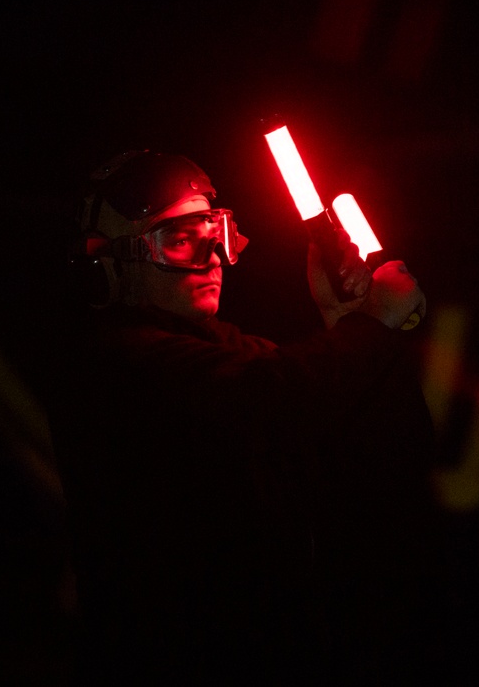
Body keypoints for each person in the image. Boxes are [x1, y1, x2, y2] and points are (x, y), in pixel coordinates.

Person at [44, 150, 449, 684]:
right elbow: (276, 402)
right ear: (107, 265)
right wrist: (369, 327)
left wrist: (344, 324)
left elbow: (395, 451)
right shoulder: (116, 367)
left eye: (218, 231)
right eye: (180, 238)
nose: (213, 254)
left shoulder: (232, 355)